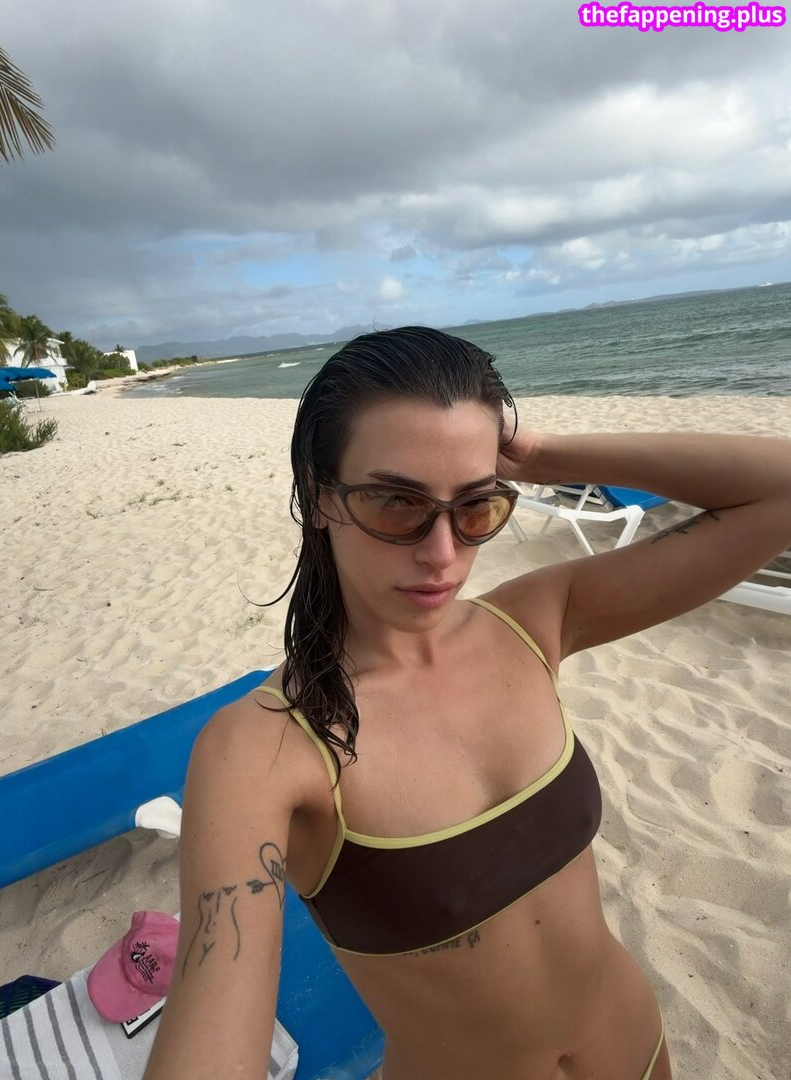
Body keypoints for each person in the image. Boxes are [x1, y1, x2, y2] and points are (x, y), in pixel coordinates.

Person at [144, 327, 791, 1080]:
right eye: (397, 502)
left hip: (638, 1051)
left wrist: (541, 457)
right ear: (319, 497)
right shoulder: (262, 750)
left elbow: (778, 491)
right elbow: (213, 1025)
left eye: (476, 506)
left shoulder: (534, 623)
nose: (442, 553)